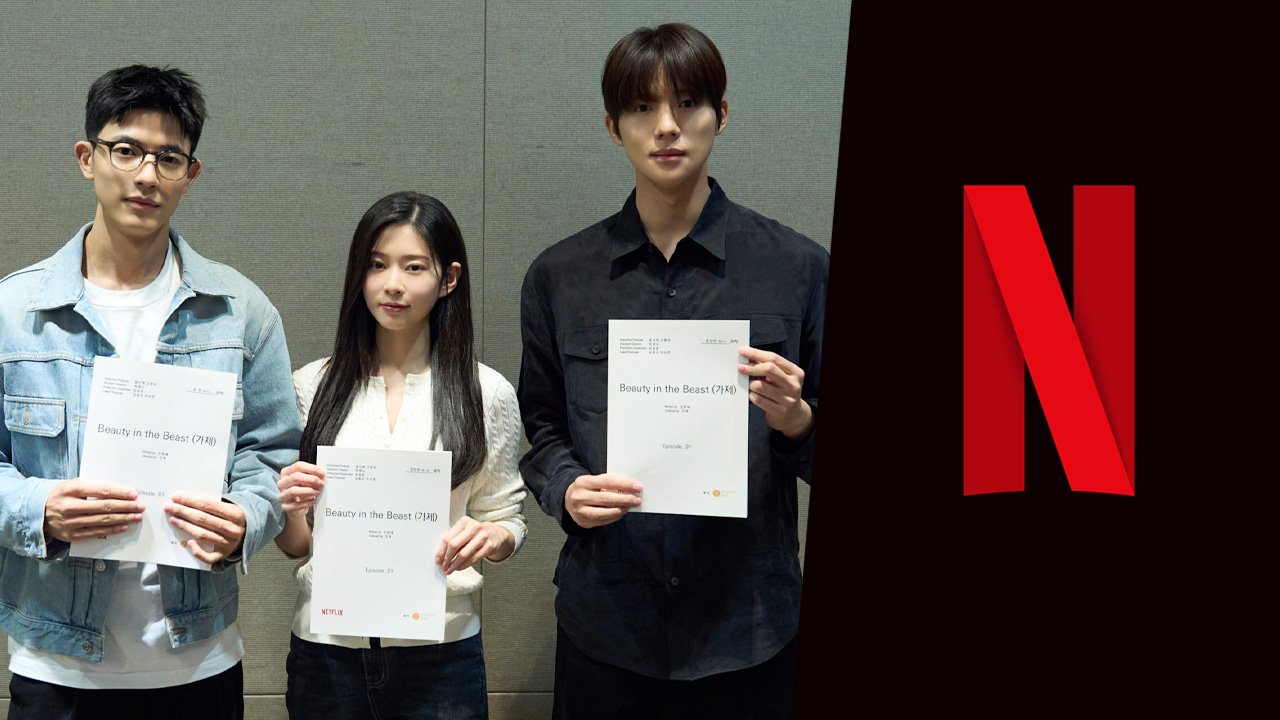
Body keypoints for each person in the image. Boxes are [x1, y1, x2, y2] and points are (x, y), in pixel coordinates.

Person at [518, 23, 828, 719]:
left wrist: (796, 419)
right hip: (607, 629)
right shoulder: (560, 277)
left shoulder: (798, 269)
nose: (666, 126)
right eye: (641, 107)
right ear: (612, 127)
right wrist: (566, 488)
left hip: (750, 631)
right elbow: (541, 426)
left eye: (687, 103)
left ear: (722, 114)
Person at [0, 65, 300, 719]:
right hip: (55, 668)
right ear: (87, 158)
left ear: (191, 174)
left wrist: (246, 517)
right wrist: (38, 508)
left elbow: (273, 453)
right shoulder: (13, 314)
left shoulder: (240, 311)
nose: (146, 175)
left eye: (169, 158)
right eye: (126, 150)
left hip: (200, 662)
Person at [274, 191, 527, 719]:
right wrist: (291, 507)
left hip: (442, 651)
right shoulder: (310, 386)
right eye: (377, 265)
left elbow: (505, 518)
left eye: (414, 267)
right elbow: (296, 546)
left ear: (449, 278)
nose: (393, 284)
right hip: (327, 650)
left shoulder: (487, 392)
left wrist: (493, 537)